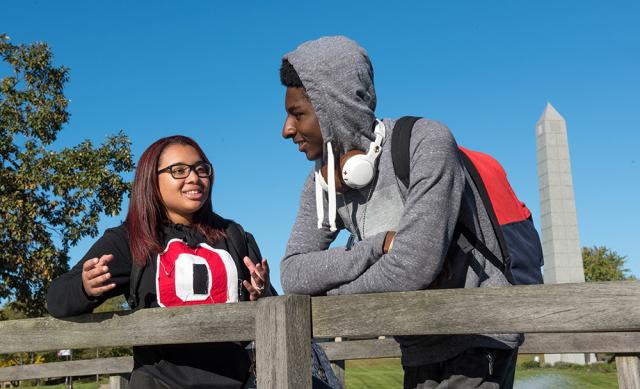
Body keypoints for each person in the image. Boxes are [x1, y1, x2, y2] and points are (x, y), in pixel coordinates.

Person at [279, 36, 522, 389]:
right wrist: (374, 248)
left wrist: (329, 295)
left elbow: (412, 267)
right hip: (416, 344)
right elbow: (293, 273)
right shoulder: (319, 183)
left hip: (480, 336)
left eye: (297, 114)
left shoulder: (426, 141)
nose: (286, 130)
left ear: (336, 106)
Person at [47, 135, 270, 389]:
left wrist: (260, 296)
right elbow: (57, 297)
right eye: (179, 170)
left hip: (239, 383)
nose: (194, 178)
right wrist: (85, 287)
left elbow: (271, 309)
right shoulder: (130, 239)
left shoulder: (233, 234)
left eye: (201, 169)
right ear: (152, 180)